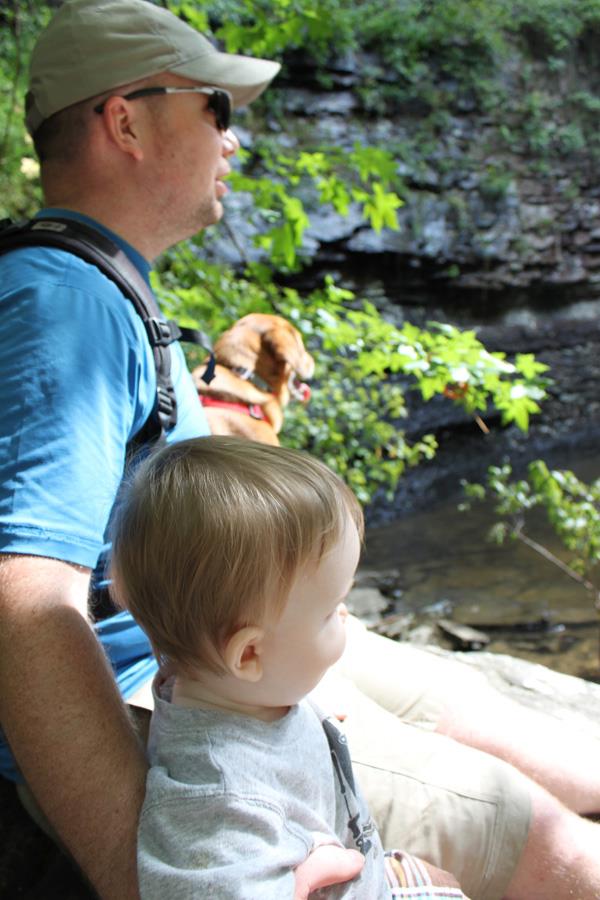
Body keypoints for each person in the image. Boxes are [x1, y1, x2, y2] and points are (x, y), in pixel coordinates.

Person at [1, 1, 600, 898]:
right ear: (125, 119)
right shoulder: (63, 304)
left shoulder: (108, 283)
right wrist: (156, 873)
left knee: (523, 737)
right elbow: (25, 608)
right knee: (558, 847)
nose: (233, 139)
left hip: (249, 649)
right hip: (186, 695)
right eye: (217, 107)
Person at [110, 435, 469, 899]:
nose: (344, 615)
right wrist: (305, 880)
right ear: (249, 655)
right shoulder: (218, 804)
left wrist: (310, 731)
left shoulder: (237, 693)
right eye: (330, 610)